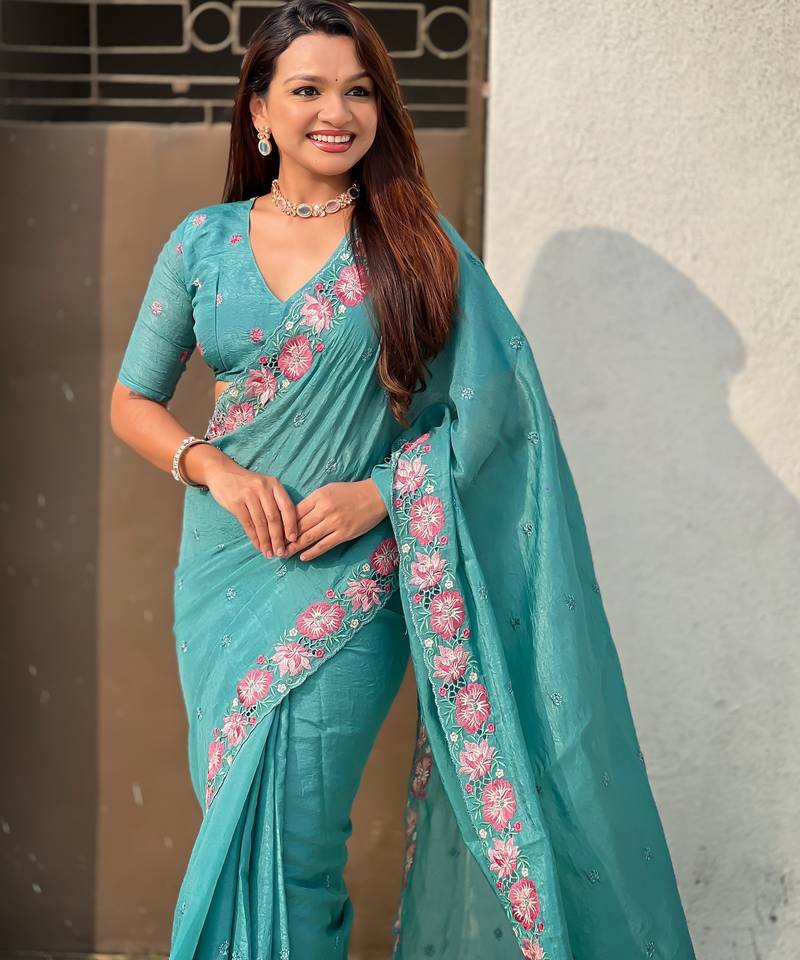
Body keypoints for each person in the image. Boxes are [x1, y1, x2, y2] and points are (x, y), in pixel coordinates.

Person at [109, 2, 697, 958]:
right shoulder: (201, 244)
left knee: (296, 838)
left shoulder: (413, 243)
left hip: (352, 576)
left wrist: (380, 494)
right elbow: (133, 401)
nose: (335, 111)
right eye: (307, 89)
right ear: (259, 110)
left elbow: (500, 412)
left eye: (358, 90)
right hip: (225, 572)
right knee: (238, 822)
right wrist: (212, 469)